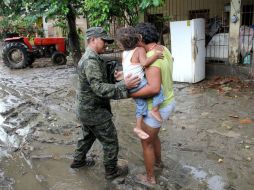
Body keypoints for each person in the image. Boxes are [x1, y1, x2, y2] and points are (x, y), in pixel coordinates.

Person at [71, 26, 140, 180]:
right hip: (95, 111)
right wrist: (124, 85)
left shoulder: (93, 57)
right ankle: (111, 171)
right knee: (110, 141)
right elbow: (99, 88)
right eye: (104, 41)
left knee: (87, 137)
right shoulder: (90, 60)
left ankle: (78, 161)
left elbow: (99, 77)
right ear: (93, 39)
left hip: (86, 110)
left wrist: (113, 75)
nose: (106, 44)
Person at [131, 22, 176, 185]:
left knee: (146, 142)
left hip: (156, 107)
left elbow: (155, 88)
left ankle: (150, 178)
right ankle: (158, 163)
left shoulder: (152, 60)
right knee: (154, 138)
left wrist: (132, 93)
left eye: (135, 38)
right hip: (169, 101)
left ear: (140, 38)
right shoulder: (163, 49)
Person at [116, 26, 164, 140]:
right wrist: (156, 55)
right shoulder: (139, 50)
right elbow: (144, 63)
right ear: (138, 39)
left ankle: (138, 127)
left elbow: (131, 68)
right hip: (138, 83)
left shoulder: (124, 54)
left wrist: (120, 75)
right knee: (159, 88)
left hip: (129, 84)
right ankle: (155, 109)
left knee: (141, 105)